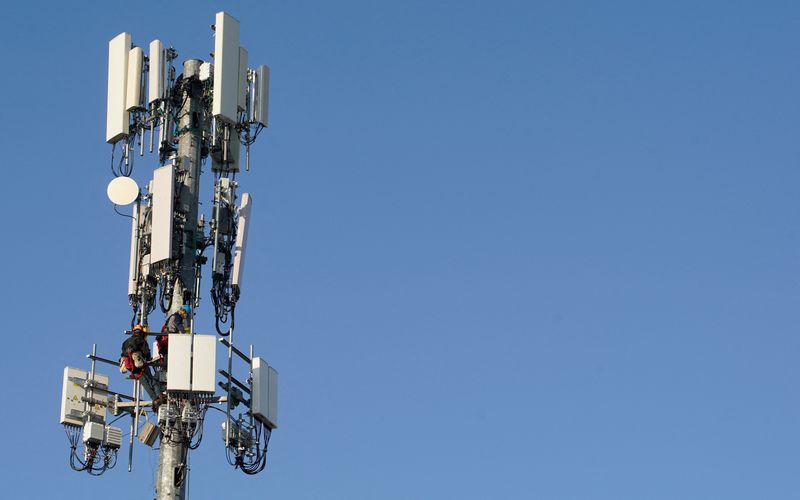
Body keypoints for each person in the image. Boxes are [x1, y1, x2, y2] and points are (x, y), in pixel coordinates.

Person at [119, 325, 161, 399]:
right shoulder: (141, 340)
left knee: (145, 384)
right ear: (141, 332)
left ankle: (154, 399)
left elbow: (123, 354)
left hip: (132, 368)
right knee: (151, 380)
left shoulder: (125, 342)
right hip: (140, 364)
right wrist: (149, 360)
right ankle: (159, 395)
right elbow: (146, 352)